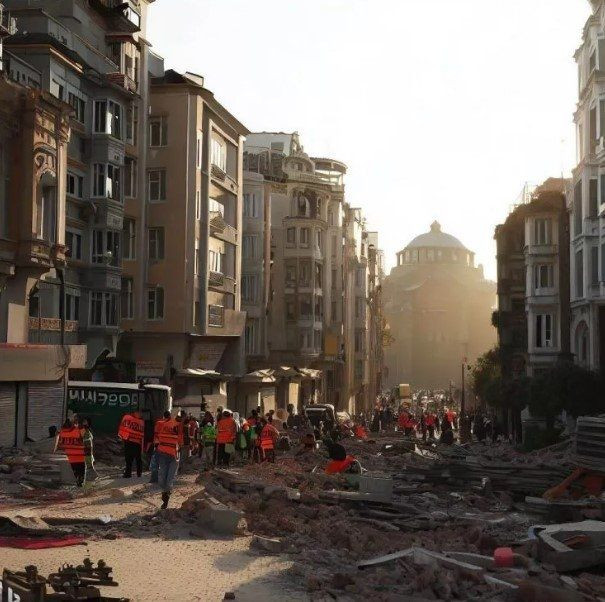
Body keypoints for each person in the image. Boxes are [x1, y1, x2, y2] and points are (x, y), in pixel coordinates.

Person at [155, 410, 183, 509]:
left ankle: (166, 495)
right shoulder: (165, 424)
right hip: (168, 454)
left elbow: (157, 438)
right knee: (166, 476)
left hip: (170, 454)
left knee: (166, 476)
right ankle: (165, 493)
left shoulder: (166, 424)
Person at [55, 418, 86, 486]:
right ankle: (80, 482)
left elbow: (59, 444)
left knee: (74, 471)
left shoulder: (62, 432)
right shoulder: (77, 430)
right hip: (79, 456)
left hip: (69, 456)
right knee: (80, 471)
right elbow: (84, 435)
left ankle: (76, 481)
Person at [118, 410, 144, 478]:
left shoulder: (128, 418)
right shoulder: (141, 422)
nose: (140, 414)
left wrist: (122, 437)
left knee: (129, 459)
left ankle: (128, 473)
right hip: (136, 443)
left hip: (129, 441)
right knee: (137, 459)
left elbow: (123, 428)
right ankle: (139, 473)